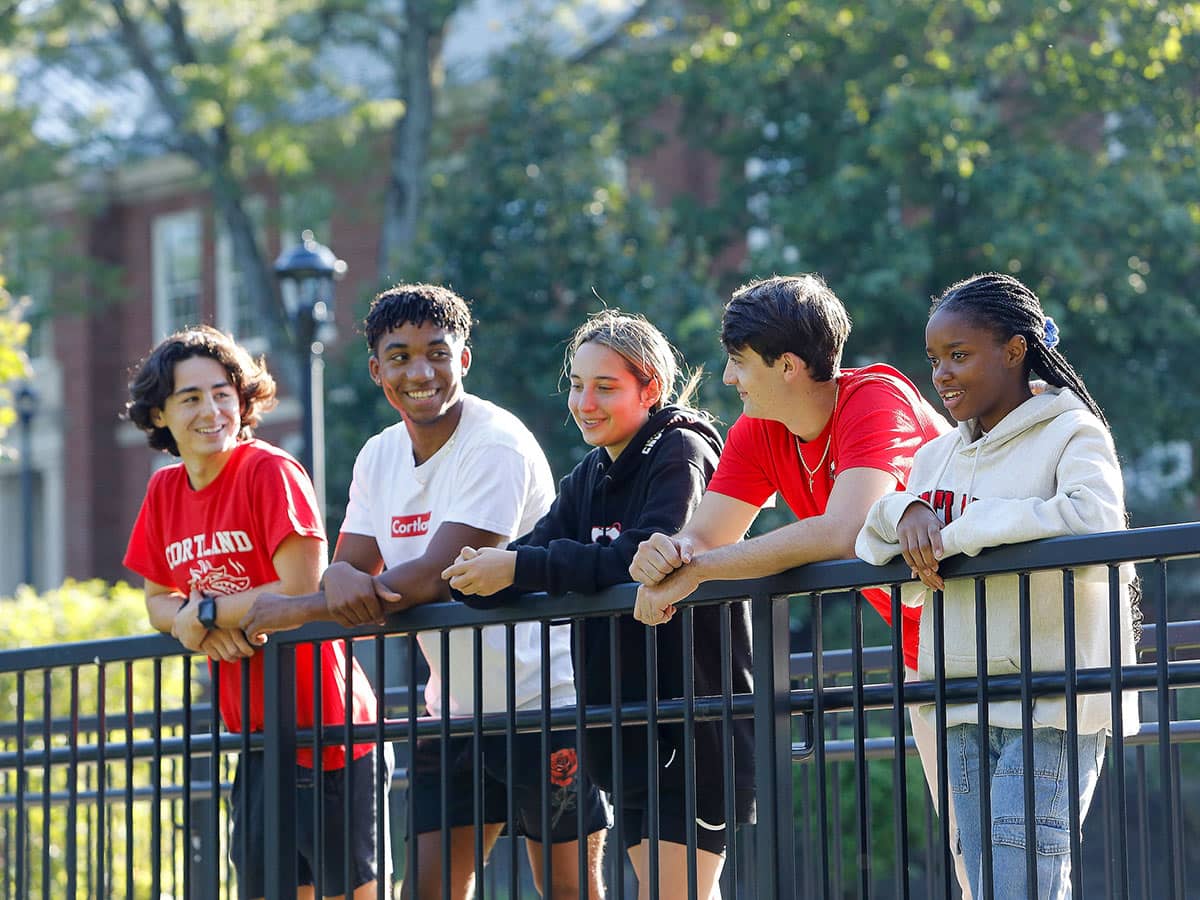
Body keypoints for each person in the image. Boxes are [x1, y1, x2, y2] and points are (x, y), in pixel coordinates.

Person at [240, 284, 609, 900]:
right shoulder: (377, 455)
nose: (421, 371)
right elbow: (350, 569)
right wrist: (335, 580)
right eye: (400, 354)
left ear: (464, 359)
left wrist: (290, 609)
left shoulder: (496, 442)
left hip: (549, 699)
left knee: (568, 892)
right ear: (376, 369)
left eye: (437, 352)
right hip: (457, 709)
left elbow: (438, 575)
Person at [626, 274, 972, 893]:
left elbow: (845, 529)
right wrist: (663, 558)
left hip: (1002, 631)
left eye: (737, 363)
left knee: (1013, 844)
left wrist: (695, 571)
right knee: (975, 849)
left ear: (787, 366)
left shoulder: (876, 397)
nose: (728, 379)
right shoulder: (758, 430)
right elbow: (704, 537)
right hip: (931, 655)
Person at [443, 309, 755, 899]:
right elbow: (535, 556)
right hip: (627, 729)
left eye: (606, 387)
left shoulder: (680, 450)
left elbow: (651, 554)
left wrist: (519, 566)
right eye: (577, 385)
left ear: (650, 389)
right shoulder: (588, 473)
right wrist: (473, 578)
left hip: (692, 720)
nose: (585, 402)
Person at [855, 272, 1140, 899]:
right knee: (988, 886)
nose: (942, 375)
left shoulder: (1073, 430)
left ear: (1015, 350)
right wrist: (904, 513)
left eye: (960, 356)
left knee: (1024, 886)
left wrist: (958, 532)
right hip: (958, 701)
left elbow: (1094, 527)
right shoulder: (935, 460)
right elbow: (873, 546)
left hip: (1051, 702)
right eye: (934, 359)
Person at [122, 325, 387, 900]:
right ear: (160, 415)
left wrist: (209, 610)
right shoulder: (164, 492)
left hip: (330, 731)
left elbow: (302, 590)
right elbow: (156, 601)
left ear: (242, 400)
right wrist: (191, 625)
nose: (211, 409)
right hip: (255, 737)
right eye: (190, 398)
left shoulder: (270, 471)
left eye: (222, 392)